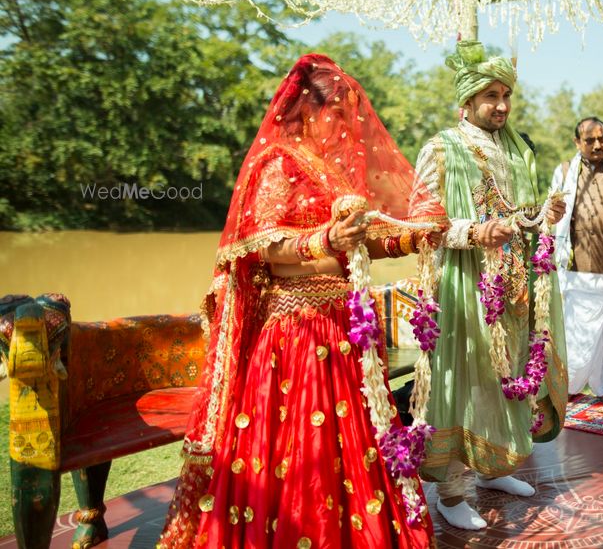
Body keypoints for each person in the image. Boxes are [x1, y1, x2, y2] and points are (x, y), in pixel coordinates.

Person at [158, 54, 448, 548]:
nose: (347, 125)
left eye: (350, 113)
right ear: (309, 109)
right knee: (302, 455)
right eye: (338, 112)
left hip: (343, 327)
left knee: (355, 446)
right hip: (295, 332)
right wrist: (328, 239)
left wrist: (412, 236)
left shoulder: (336, 172)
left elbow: (362, 240)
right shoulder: (278, 162)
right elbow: (266, 246)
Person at [412, 40, 568, 531]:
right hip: (464, 285)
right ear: (468, 100)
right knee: (464, 381)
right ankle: (453, 491)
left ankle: (494, 467)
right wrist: (475, 233)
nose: (501, 105)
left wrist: (545, 215)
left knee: (512, 374)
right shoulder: (440, 148)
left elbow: (520, 215)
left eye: (506, 95)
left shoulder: (520, 147)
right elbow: (419, 225)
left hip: (516, 287)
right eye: (490, 96)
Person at [550, 117, 603, 403]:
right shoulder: (564, 173)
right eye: (590, 140)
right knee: (579, 335)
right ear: (577, 143)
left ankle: (601, 387)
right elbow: (552, 217)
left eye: (602, 139)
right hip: (579, 269)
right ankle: (569, 389)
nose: (598, 145)